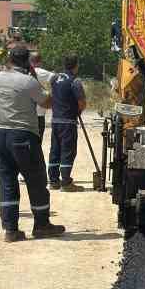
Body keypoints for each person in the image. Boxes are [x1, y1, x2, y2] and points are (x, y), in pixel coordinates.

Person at [0, 44, 66, 243]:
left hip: (1, 135)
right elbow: (46, 102)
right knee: (36, 180)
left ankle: (11, 230)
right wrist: (39, 80)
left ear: (9, 60)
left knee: (7, 182)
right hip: (23, 136)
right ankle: (41, 225)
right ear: (28, 63)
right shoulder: (28, 82)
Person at [48, 55, 87, 191]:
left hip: (55, 120)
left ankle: (53, 181)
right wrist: (77, 112)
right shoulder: (75, 81)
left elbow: (53, 96)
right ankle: (66, 183)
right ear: (76, 65)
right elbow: (82, 103)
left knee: (55, 150)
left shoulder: (54, 78)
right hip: (68, 122)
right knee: (67, 151)